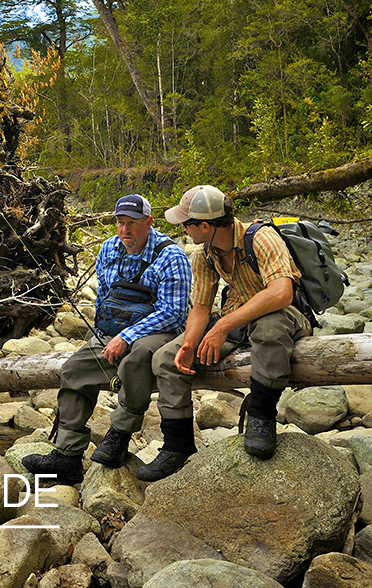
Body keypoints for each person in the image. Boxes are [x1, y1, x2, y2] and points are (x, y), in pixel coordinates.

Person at [134, 184, 313, 482]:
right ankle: (177, 446)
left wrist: (221, 327)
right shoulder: (203, 254)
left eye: (186, 224)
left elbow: (281, 293)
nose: (184, 230)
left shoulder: (262, 238)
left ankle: (261, 417)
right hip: (237, 316)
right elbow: (201, 306)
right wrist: (190, 344)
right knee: (166, 358)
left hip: (285, 314)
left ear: (205, 225)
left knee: (269, 329)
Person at [22, 193, 192, 484]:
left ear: (148, 222)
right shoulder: (108, 249)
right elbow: (104, 299)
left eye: (133, 224)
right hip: (113, 332)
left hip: (160, 331)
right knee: (73, 370)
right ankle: (67, 456)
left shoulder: (171, 256)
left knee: (137, 356)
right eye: (120, 223)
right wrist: (103, 334)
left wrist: (125, 337)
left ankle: (119, 436)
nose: (125, 230)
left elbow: (174, 313)